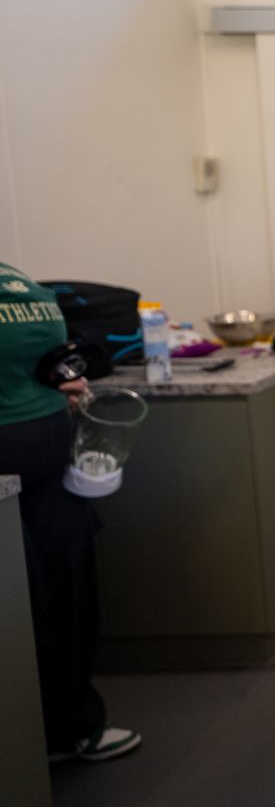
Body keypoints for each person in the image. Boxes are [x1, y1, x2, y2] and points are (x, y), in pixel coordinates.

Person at [0, 260, 140, 761]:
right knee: (22, 613)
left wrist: (57, 386)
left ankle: (73, 728)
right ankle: (23, 756)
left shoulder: (13, 279)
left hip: (49, 475)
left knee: (68, 596)